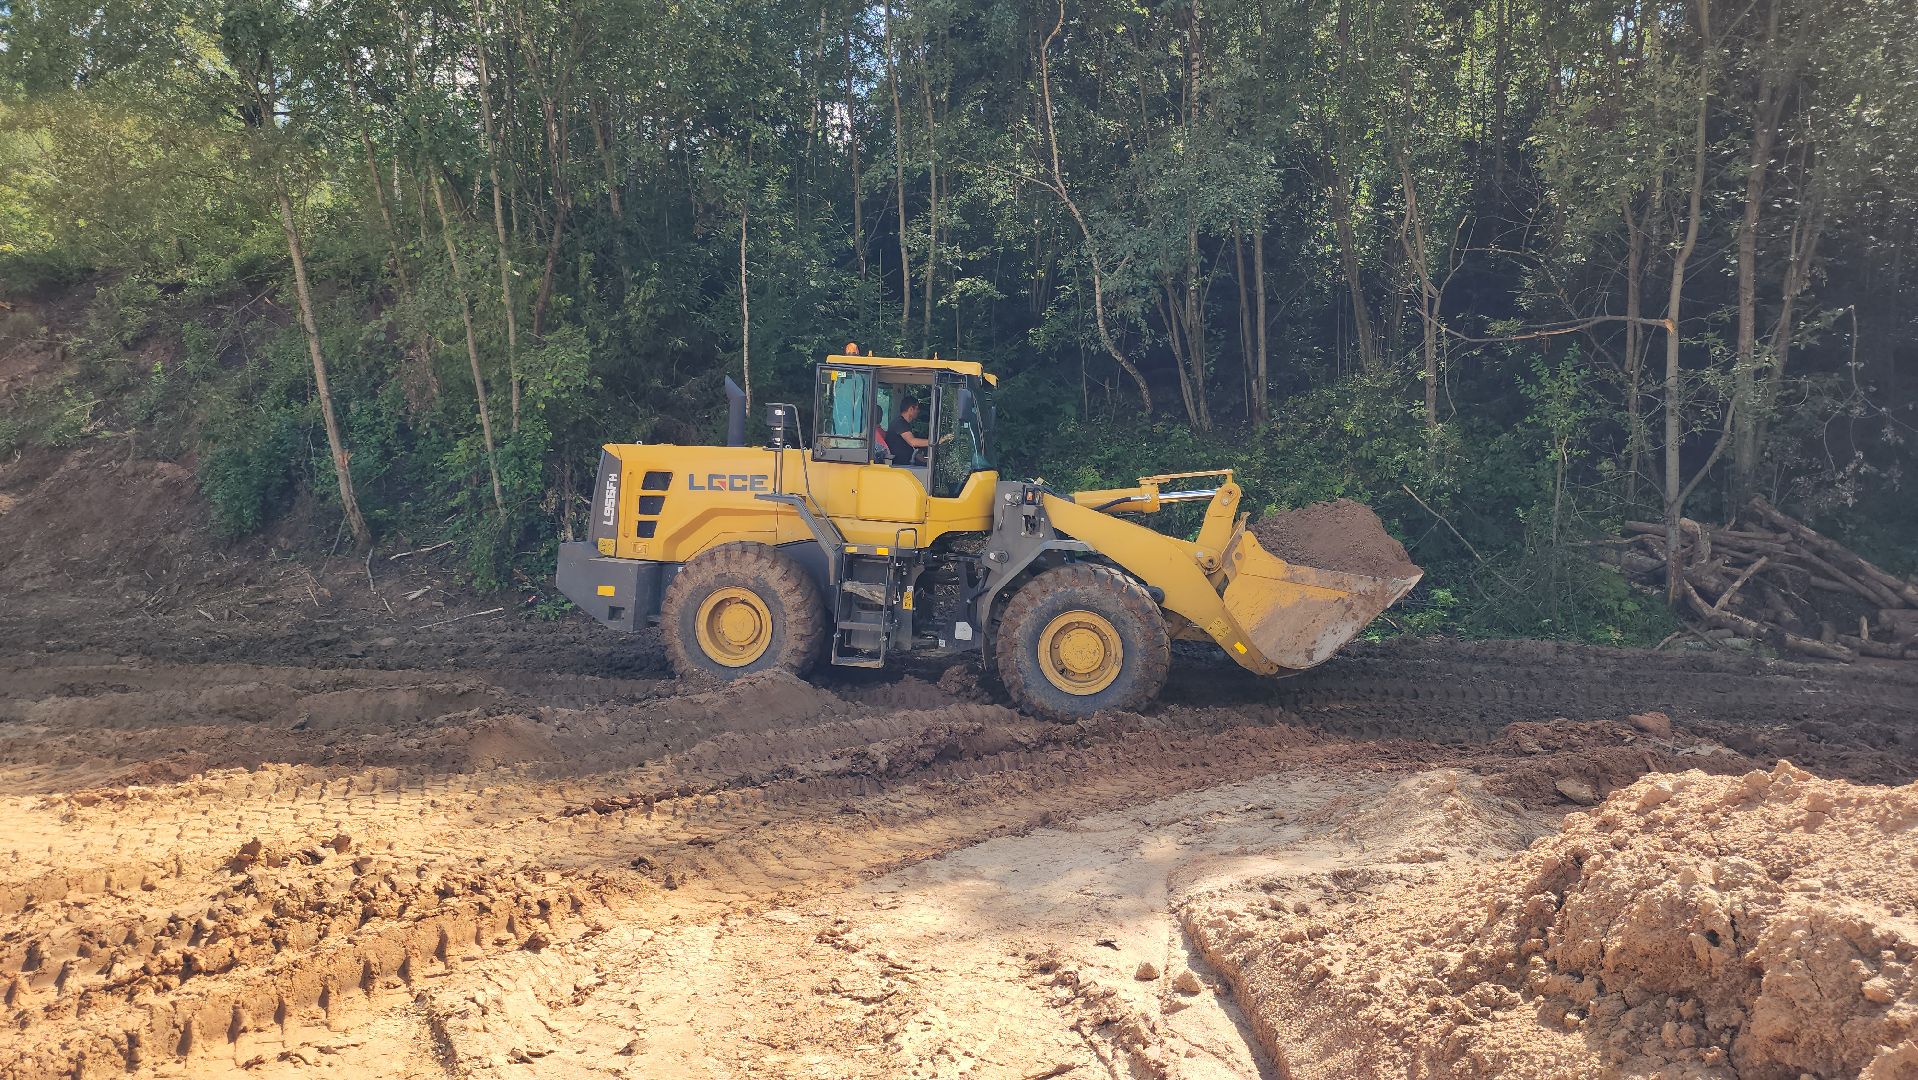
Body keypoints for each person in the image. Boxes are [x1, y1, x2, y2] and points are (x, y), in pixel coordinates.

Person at [884, 398, 929, 465]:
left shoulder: (904, 424)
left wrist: (922, 459)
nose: (918, 411)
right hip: (899, 466)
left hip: (906, 463)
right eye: (917, 408)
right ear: (911, 409)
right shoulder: (900, 423)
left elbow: (909, 448)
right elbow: (913, 442)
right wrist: (935, 442)